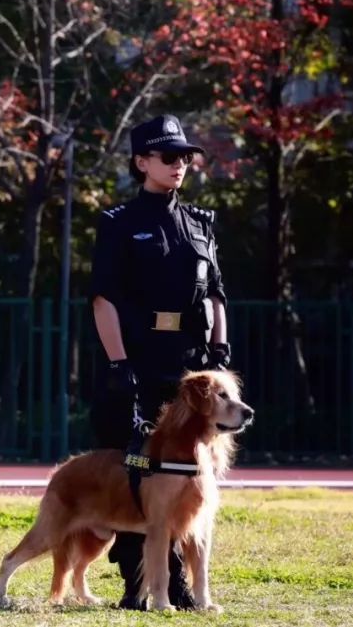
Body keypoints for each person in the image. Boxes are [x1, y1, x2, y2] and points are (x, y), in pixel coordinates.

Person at [88, 113, 231, 610]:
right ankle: (139, 581)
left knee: (192, 473)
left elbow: (215, 295)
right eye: (168, 157)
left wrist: (219, 351)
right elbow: (103, 299)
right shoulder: (119, 224)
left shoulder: (200, 224)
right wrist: (117, 364)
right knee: (136, 468)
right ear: (142, 162)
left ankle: (183, 583)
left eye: (185, 156)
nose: (180, 165)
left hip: (188, 371)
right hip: (137, 360)